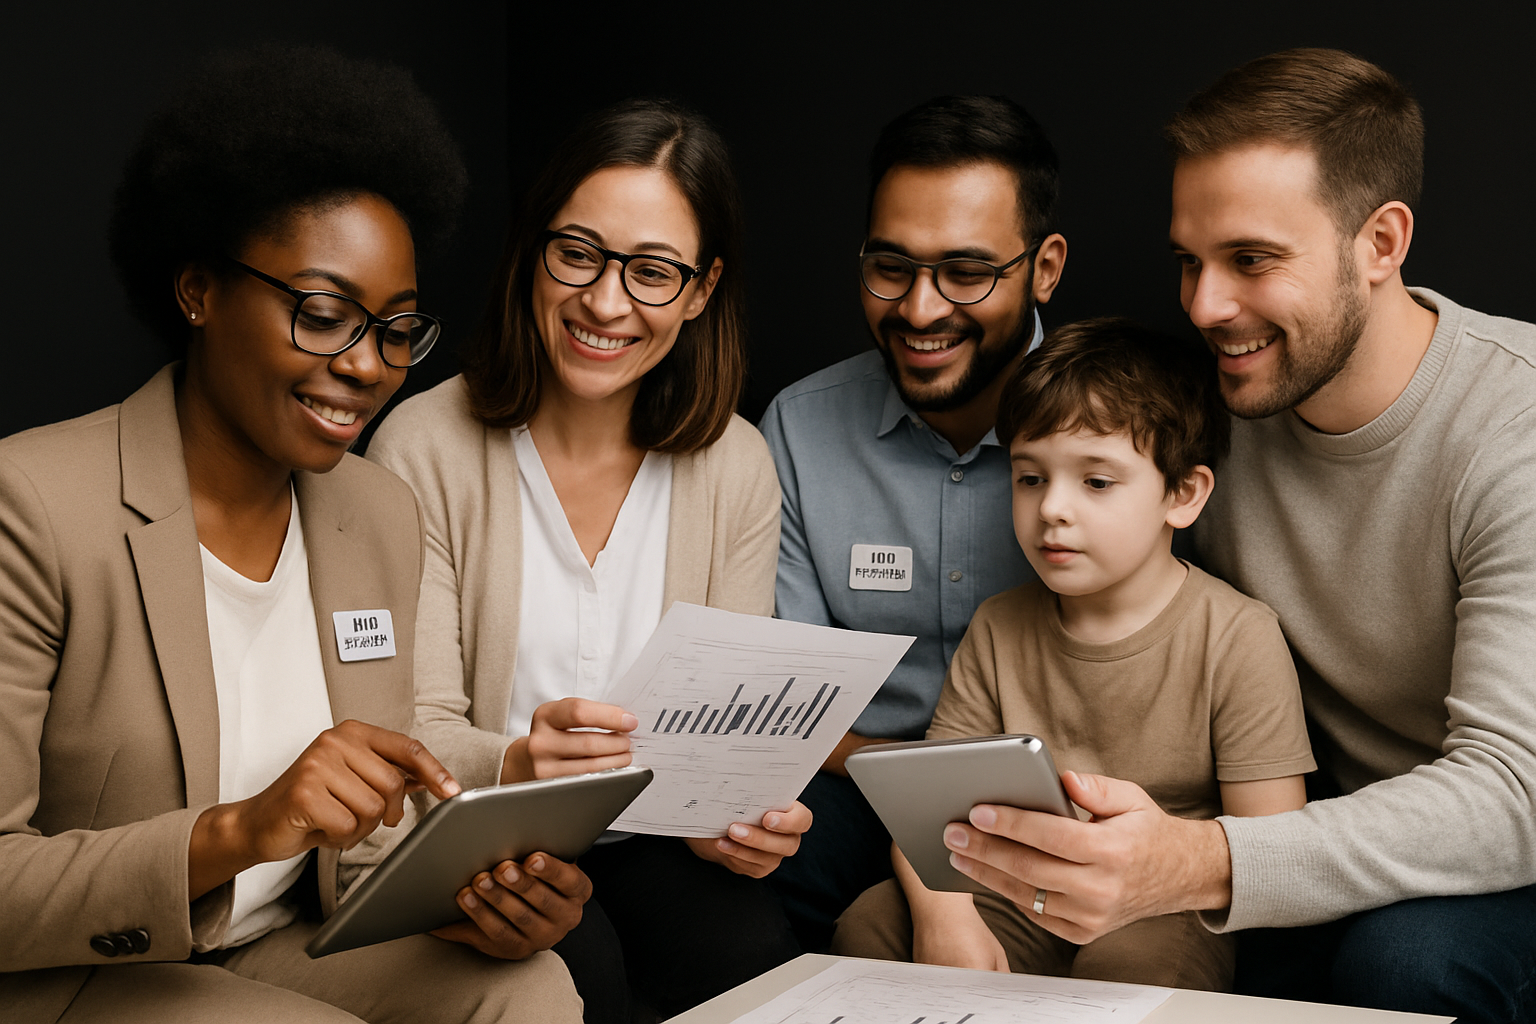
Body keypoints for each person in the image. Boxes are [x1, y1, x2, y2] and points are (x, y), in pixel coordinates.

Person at [933, 48, 1536, 1024]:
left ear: (1381, 243)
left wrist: (1200, 858)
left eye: (1252, 260)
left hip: (1496, 851)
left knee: (1408, 962)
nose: (1205, 307)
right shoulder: (1215, 408)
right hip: (1309, 831)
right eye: (1190, 260)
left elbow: (1513, 793)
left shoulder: (1514, 429)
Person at [0, 45, 583, 1024]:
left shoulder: (377, 514)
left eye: (394, 329)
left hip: (279, 942)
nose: (367, 365)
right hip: (82, 971)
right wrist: (241, 830)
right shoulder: (32, 505)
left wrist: (481, 901)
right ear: (199, 289)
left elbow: (359, 846)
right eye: (323, 313)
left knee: (526, 987)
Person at [366, 98, 807, 1023]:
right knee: (579, 971)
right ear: (535, 250)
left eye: (652, 272)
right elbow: (413, 726)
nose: (605, 303)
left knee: (749, 946)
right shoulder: (422, 446)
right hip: (489, 840)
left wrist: (738, 822)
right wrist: (519, 761)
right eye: (578, 253)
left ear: (701, 290)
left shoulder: (736, 463)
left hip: (655, 839)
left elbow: (727, 739)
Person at [832, 318, 1314, 990]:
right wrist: (946, 919)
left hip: (1159, 904)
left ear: (1183, 494)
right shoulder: (999, 626)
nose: (1052, 508)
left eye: (1097, 482)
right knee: (871, 924)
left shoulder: (1238, 636)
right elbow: (928, 812)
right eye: (1030, 478)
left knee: (1131, 979)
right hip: (1010, 888)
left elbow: (1275, 846)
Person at [758, 94, 1068, 951]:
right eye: (891, 266)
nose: (921, 310)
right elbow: (790, 699)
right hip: (863, 784)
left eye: (967, 273)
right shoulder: (798, 428)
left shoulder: (1121, 430)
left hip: (1070, 792)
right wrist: (917, 790)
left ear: (1044, 268)